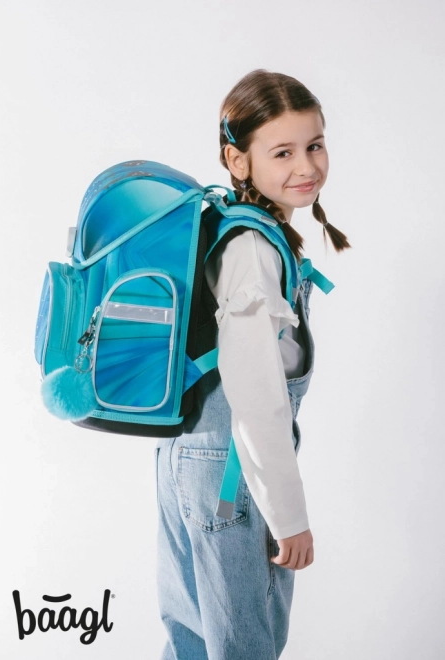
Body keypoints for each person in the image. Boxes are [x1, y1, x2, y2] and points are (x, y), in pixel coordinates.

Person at [154, 68, 351, 660]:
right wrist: (289, 517)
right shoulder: (253, 248)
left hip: (186, 453)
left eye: (314, 145)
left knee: (192, 638)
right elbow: (257, 396)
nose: (306, 166)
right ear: (237, 161)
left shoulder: (236, 230)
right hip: (229, 475)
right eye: (283, 152)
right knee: (244, 644)